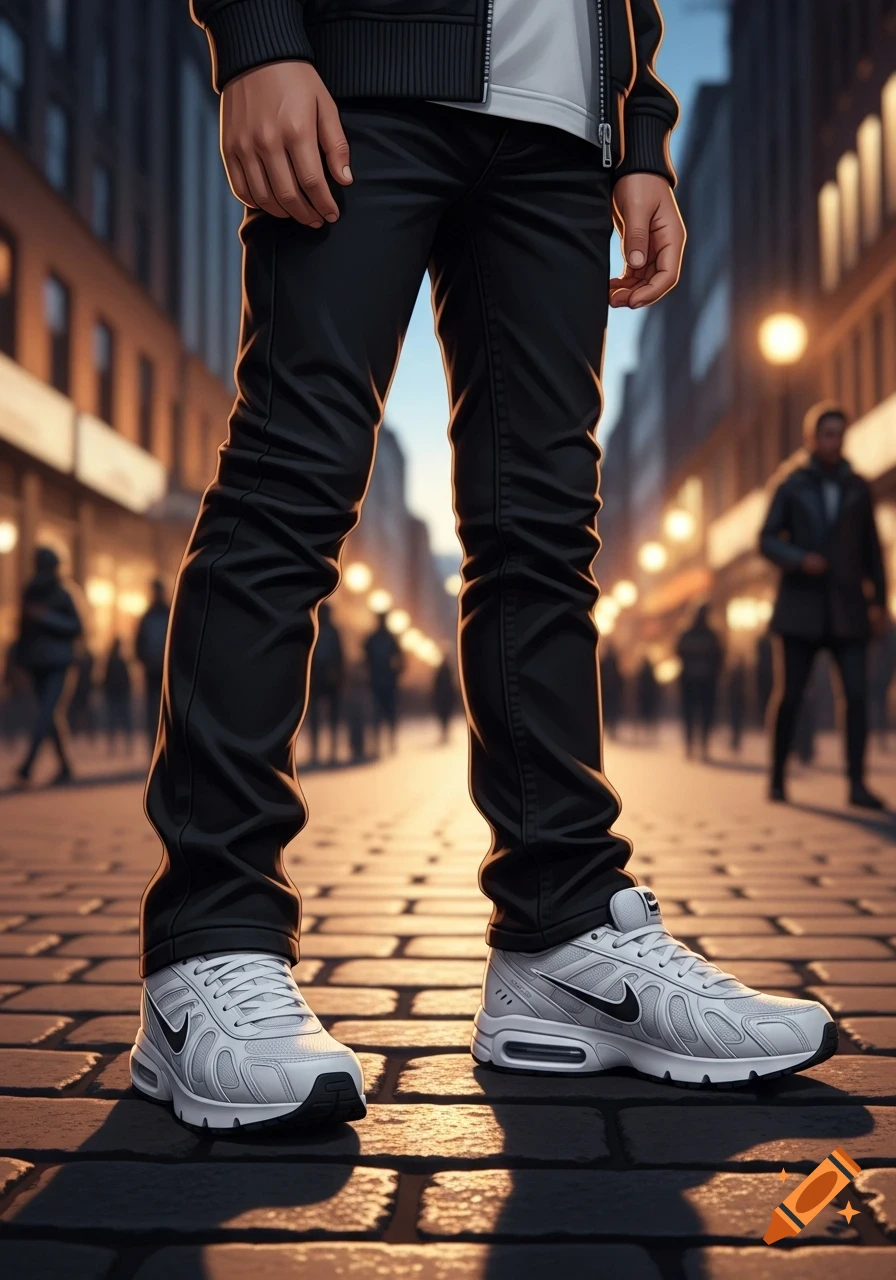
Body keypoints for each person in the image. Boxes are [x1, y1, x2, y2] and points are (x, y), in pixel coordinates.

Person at [131, 0, 836, 1137]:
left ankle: (561, 934)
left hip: (563, 132)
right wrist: (259, 35)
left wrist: (640, 135)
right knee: (291, 486)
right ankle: (210, 940)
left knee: (545, 539)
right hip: (364, 71)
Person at [761, 401, 888, 808]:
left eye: (839, 434)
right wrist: (799, 559)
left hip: (848, 608)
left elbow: (873, 551)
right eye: (827, 434)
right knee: (792, 694)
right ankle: (778, 777)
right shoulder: (791, 484)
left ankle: (857, 783)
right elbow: (766, 539)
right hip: (800, 608)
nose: (834, 442)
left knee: (856, 694)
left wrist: (880, 602)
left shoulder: (858, 486)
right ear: (812, 438)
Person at [13, 546, 82, 786]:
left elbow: (77, 627)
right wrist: (18, 662)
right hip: (36, 662)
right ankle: (65, 766)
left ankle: (27, 765)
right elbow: (21, 630)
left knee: (46, 713)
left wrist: (46, 617)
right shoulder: (30, 591)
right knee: (50, 715)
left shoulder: (64, 592)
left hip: (59, 662)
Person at [676, 604, 724, 759]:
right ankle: (694, 743)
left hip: (701, 681)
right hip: (697, 681)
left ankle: (700, 743)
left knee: (700, 714)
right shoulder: (702, 635)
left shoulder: (704, 635)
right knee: (696, 714)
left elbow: (719, 657)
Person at [307, 601, 344, 765]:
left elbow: (340, 656)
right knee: (314, 715)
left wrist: (340, 676)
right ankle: (315, 750)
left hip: (330, 677)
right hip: (316, 676)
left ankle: (332, 749)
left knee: (332, 716)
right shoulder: (312, 628)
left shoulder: (333, 632)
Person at [135, 580, 169, 754]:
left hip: (165, 672)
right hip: (154, 671)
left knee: (165, 711)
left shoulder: (167, 613)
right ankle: (155, 748)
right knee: (154, 712)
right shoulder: (149, 616)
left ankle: (163, 748)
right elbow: (138, 645)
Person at [363, 611, 405, 755]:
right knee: (378, 713)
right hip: (377, 680)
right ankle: (378, 743)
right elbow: (365, 657)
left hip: (387, 681)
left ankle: (390, 741)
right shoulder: (374, 638)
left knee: (389, 713)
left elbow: (400, 657)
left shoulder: (388, 638)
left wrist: (397, 672)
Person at [869, 614, 896, 752]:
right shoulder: (888, 629)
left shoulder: (889, 631)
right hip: (875, 675)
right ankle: (876, 735)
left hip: (880, 676)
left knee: (879, 706)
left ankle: (880, 736)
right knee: (877, 707)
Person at [102, 638, 134, 756]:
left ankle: (120, 747)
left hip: (116, 694)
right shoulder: (118, 661)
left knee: (115, 721)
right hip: (117, 694)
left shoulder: (113, 661)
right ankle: (123, 747)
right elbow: (126, 679)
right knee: (121, 721)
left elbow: (106, 678)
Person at [600, 642, 624, 739]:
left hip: (606, 692)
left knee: (607, 711)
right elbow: (619, 679)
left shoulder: (604, 662)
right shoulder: (614, 664)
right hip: (613, 693)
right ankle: (612, 729)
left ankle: (607, 729)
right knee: (612, 711)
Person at [432, 652, 457, 743]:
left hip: (444, 698)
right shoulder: (447, 671)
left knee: (444, 717)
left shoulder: (443, 671)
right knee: (444, 718)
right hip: (444, 697)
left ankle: (445, 734)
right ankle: (445, 734)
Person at [635, 657, 661, 741]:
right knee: (650, 715)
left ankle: (647, 731)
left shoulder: (642, 673)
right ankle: (650, 732)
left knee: (645, 715)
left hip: (644, 697)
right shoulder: (651, 673)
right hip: (649, 697)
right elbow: (655, 686)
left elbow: (639, 686)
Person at [727, 659, 747, 754]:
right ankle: (735, 741)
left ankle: (735, 741)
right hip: (738, 701)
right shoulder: (742, 676)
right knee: (736, 722)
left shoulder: (734, 676)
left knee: (736, 722)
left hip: (737, 702)